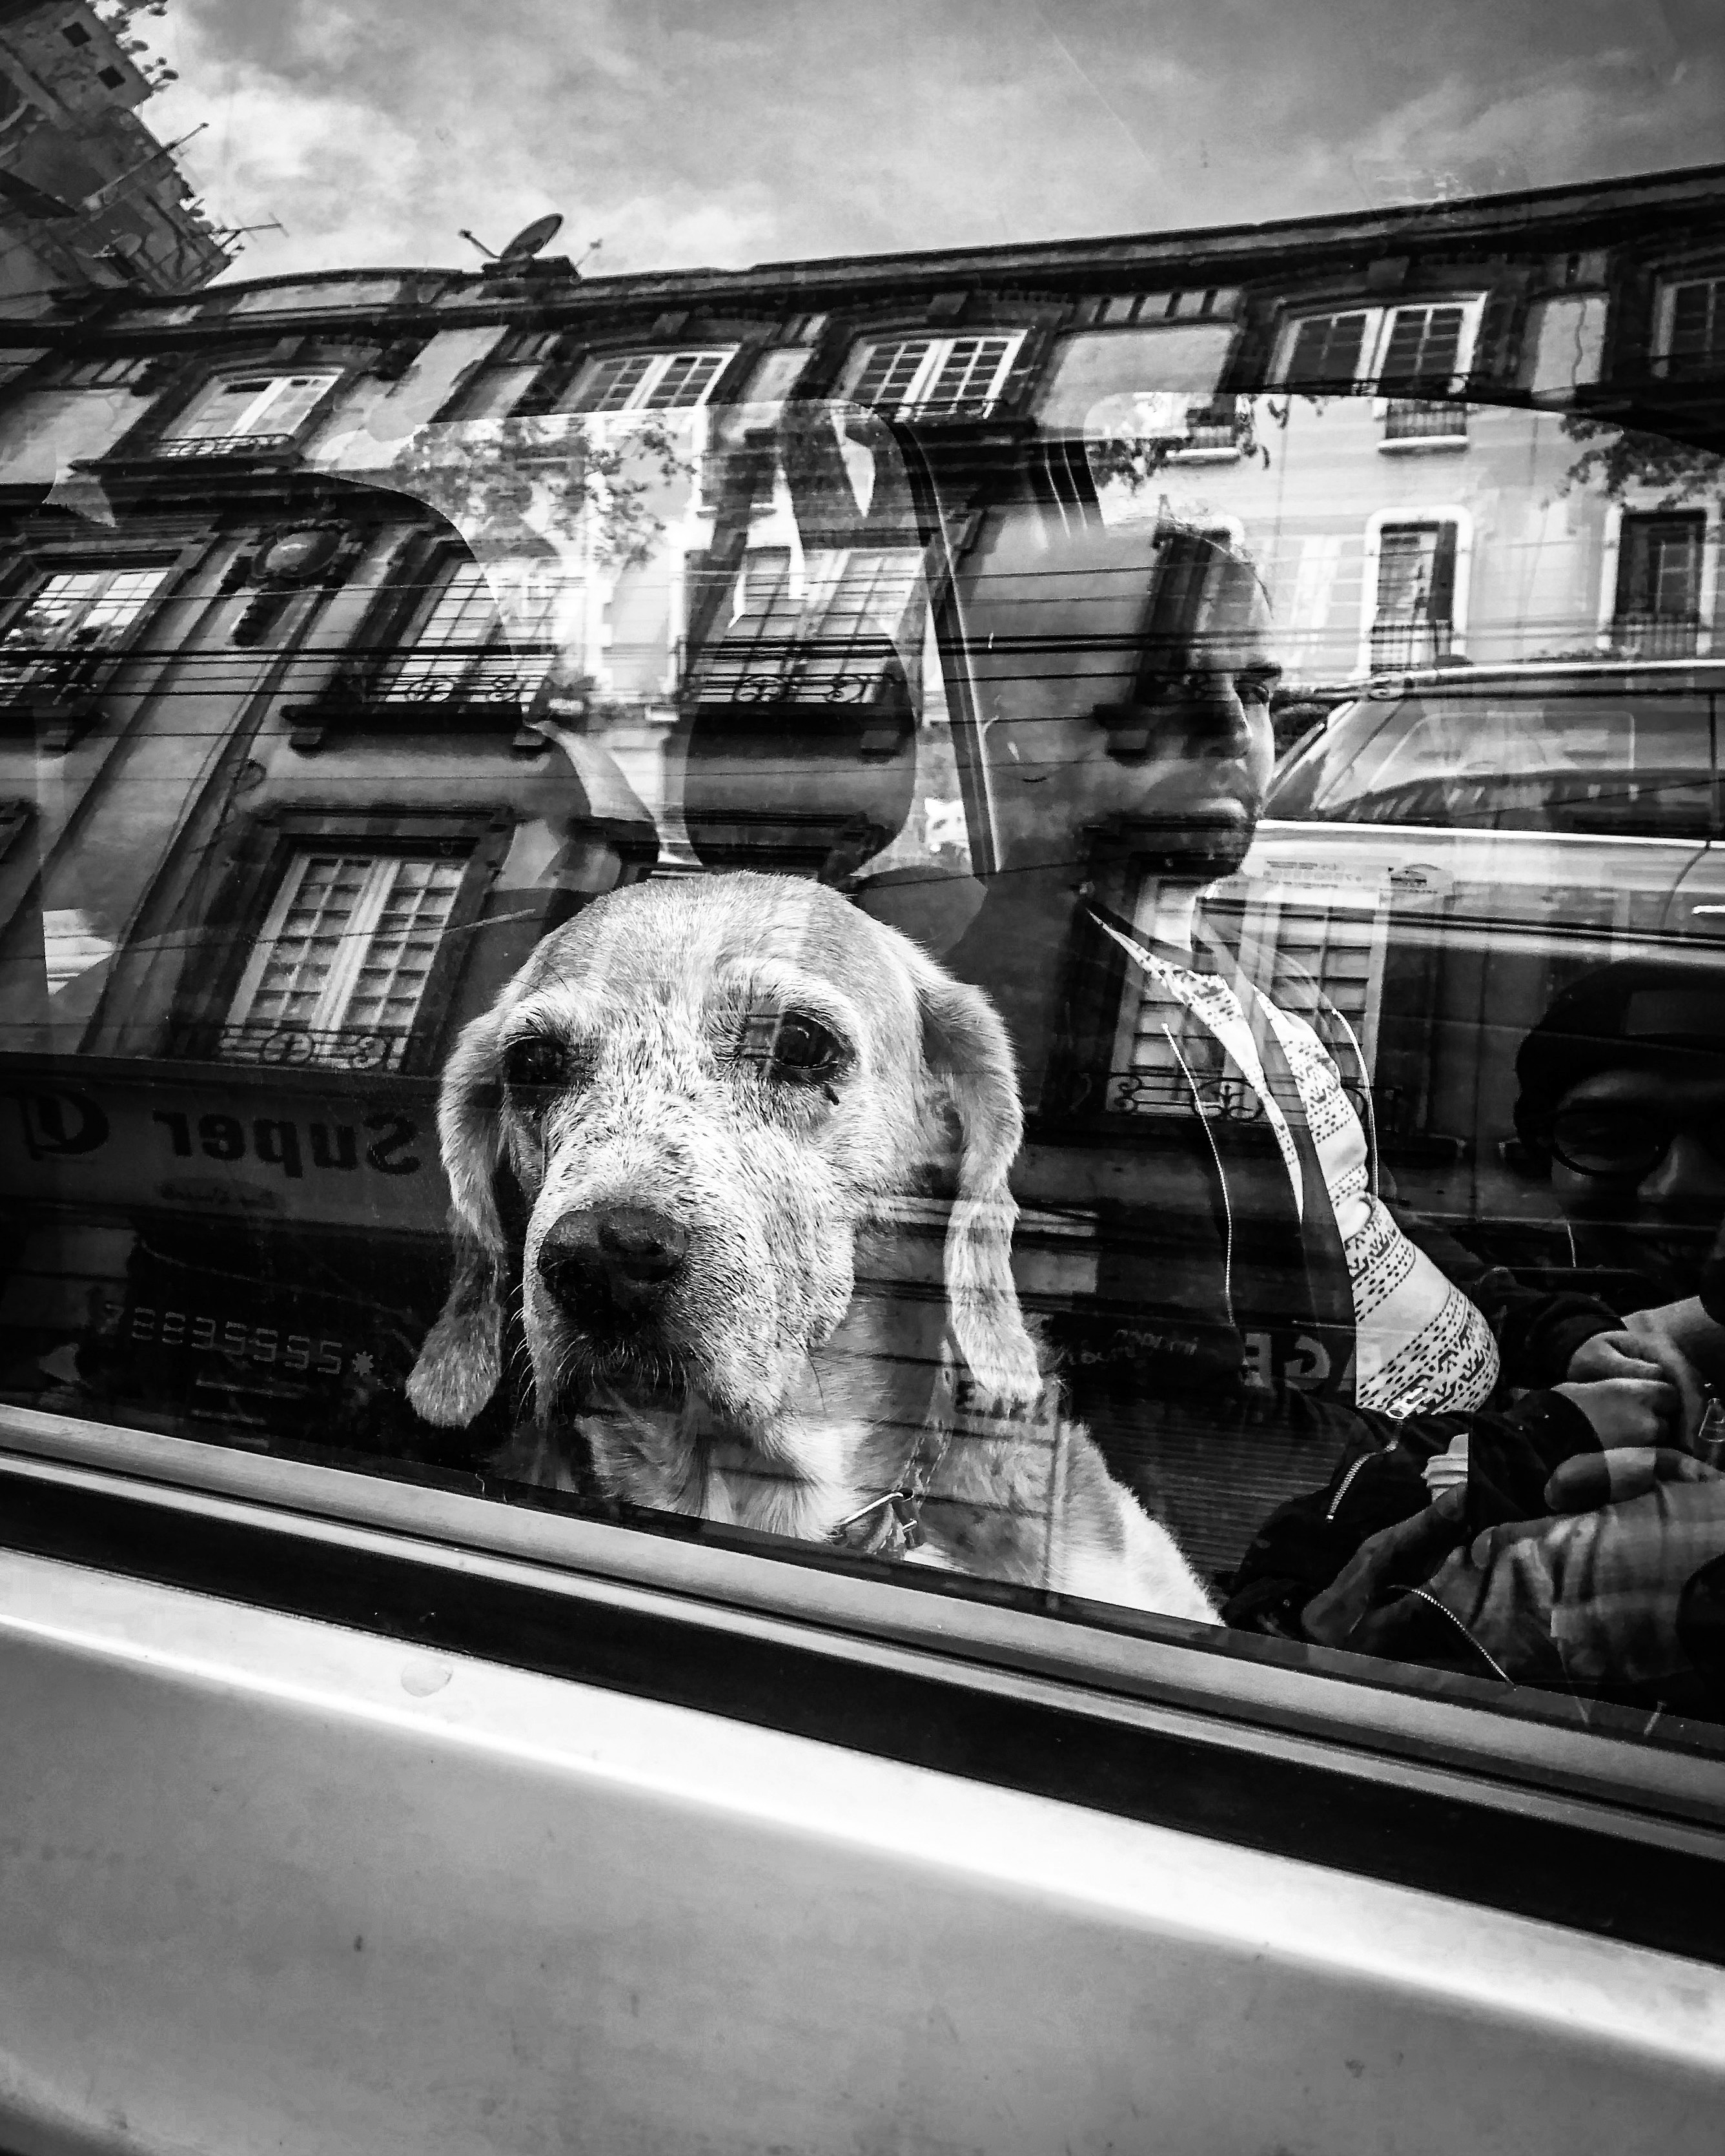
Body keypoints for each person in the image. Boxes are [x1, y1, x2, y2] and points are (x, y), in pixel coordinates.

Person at [929, 514, 1689, 1623]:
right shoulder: (1036, 1038)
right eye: (1168, 694)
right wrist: (1516, 1444)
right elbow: (1170, 1451)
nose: (1238, 732)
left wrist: (1551, 1333)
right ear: (1024, 741)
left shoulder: (1222, 964)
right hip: (1368, 1522)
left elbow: (1355, 1221)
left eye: (1255, 689)